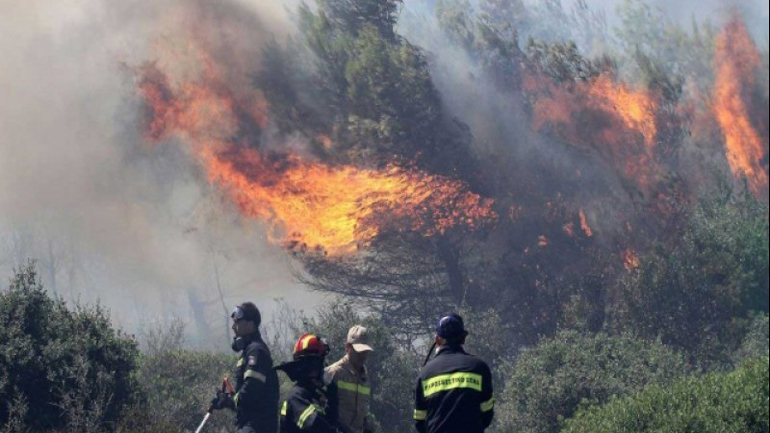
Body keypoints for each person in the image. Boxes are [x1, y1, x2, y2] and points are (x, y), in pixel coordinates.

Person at [413, 313, 494, 433]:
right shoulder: (479, 368)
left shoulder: (425, 373)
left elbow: (419, 420)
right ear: (463, 339)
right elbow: (487, 414)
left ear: (437, 339)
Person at [210, 302, 280, 433]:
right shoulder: (249, 351)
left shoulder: (256, 351)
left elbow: (251, 389)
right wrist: (225, 399)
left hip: (258, 426)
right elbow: (246, 399)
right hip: (249, 424)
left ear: (250, 324)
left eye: (237, 322)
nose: (233, 327)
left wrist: (229, 401)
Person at [276, 333, 341, 433]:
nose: (324, 368)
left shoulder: (314, 396)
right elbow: (316, 426)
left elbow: (331, 423)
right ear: (313, 365)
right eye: (322, 362)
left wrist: (332, 396)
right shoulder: (296, 397)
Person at [325, 325, 374, 433]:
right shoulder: (334, 373)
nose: (363, 355)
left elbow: (361, 411)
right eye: (359, 351)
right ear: (348, 347)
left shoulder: (364, 378)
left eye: (365, 351)